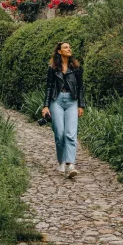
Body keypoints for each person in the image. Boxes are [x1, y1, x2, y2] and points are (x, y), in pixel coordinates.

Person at [42, 41, 85, 178]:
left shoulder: (76, 68)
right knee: (59, 133)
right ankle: (61, 161)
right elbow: (49, 87)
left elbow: (80, 88)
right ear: (59, 51)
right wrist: (46, 106)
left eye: (69, 47)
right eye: (66, 47)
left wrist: (80, 105)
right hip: (57, 100)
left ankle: (70, 164)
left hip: (72, 101)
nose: (69, 49)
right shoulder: (53, 68)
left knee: (70, 133)